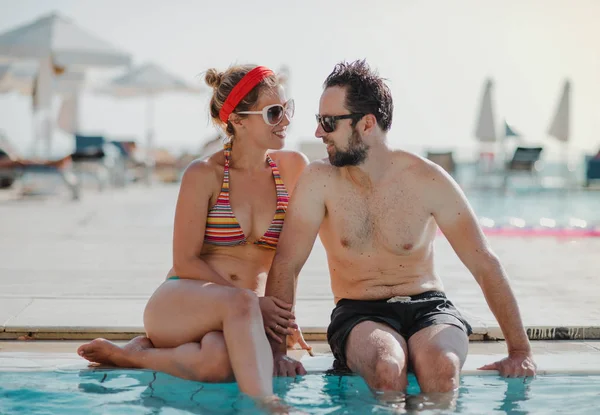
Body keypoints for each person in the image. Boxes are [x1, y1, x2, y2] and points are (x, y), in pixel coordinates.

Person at [266, 60, 537, 392]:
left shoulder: (426, 179)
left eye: (328, 122)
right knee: (387, 365)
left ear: (366, 124)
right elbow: (287, 263)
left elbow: (484, 262)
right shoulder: (318, 181)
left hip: (430, 306)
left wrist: (520, 350)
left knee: (442, 366)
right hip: (359, 312)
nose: (318, 132)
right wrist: (278, 351)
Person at [77, 64, 309, 405]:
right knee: (241, 301)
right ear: (238, 120)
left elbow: (286, 263)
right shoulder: (203, 174)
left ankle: (133, 355)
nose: (286, 120)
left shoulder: (292, 168)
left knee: (217, 364)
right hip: (182, 303)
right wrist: (255, 305)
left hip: (240, 317)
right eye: (274, 112)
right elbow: (184, 261)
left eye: (287, 109)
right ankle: (268, 407)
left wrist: (276, 342)